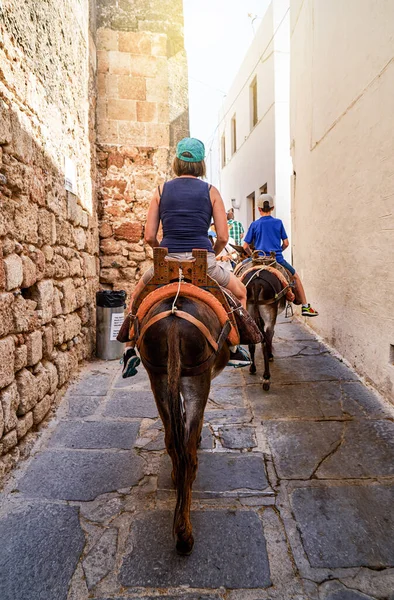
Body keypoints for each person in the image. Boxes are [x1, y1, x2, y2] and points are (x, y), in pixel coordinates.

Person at [122, 137, 251, 377]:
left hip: (167, 264)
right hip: (203, 265)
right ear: (201, 164)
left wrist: (163, 251)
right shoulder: (211, 191)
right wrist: (213, 254)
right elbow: (222, 236)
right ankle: (235, 347)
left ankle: (129, 349)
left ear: (177, 161)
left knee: (136, 297)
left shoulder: (161, 190)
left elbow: (150, 236)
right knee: (241, 292)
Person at [242, 194, 319, 317]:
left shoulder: (255, 224)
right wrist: (279, 251)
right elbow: (286, 243)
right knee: (295, 277)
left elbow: (245, 246)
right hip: (275, 259)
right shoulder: (278, 223)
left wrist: (253, 255)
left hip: (258, 259)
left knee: (238, 270)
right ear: (272, 208)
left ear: (259, 209)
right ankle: (305, 306)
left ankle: (234, 305)